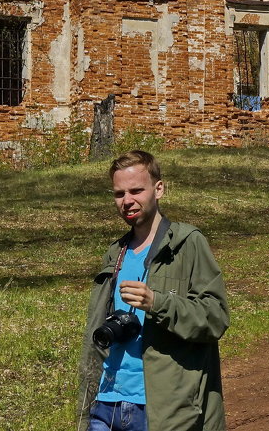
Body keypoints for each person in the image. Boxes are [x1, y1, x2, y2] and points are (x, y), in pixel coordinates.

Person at [78, 150, 229, 431]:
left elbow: (215, 318)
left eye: (136, 190)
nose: (127, 201)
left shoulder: (187, 244)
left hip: (160, 409)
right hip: (105, 403)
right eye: (119, 193)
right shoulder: (116, 252)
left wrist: (157, 303)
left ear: (159, 189)